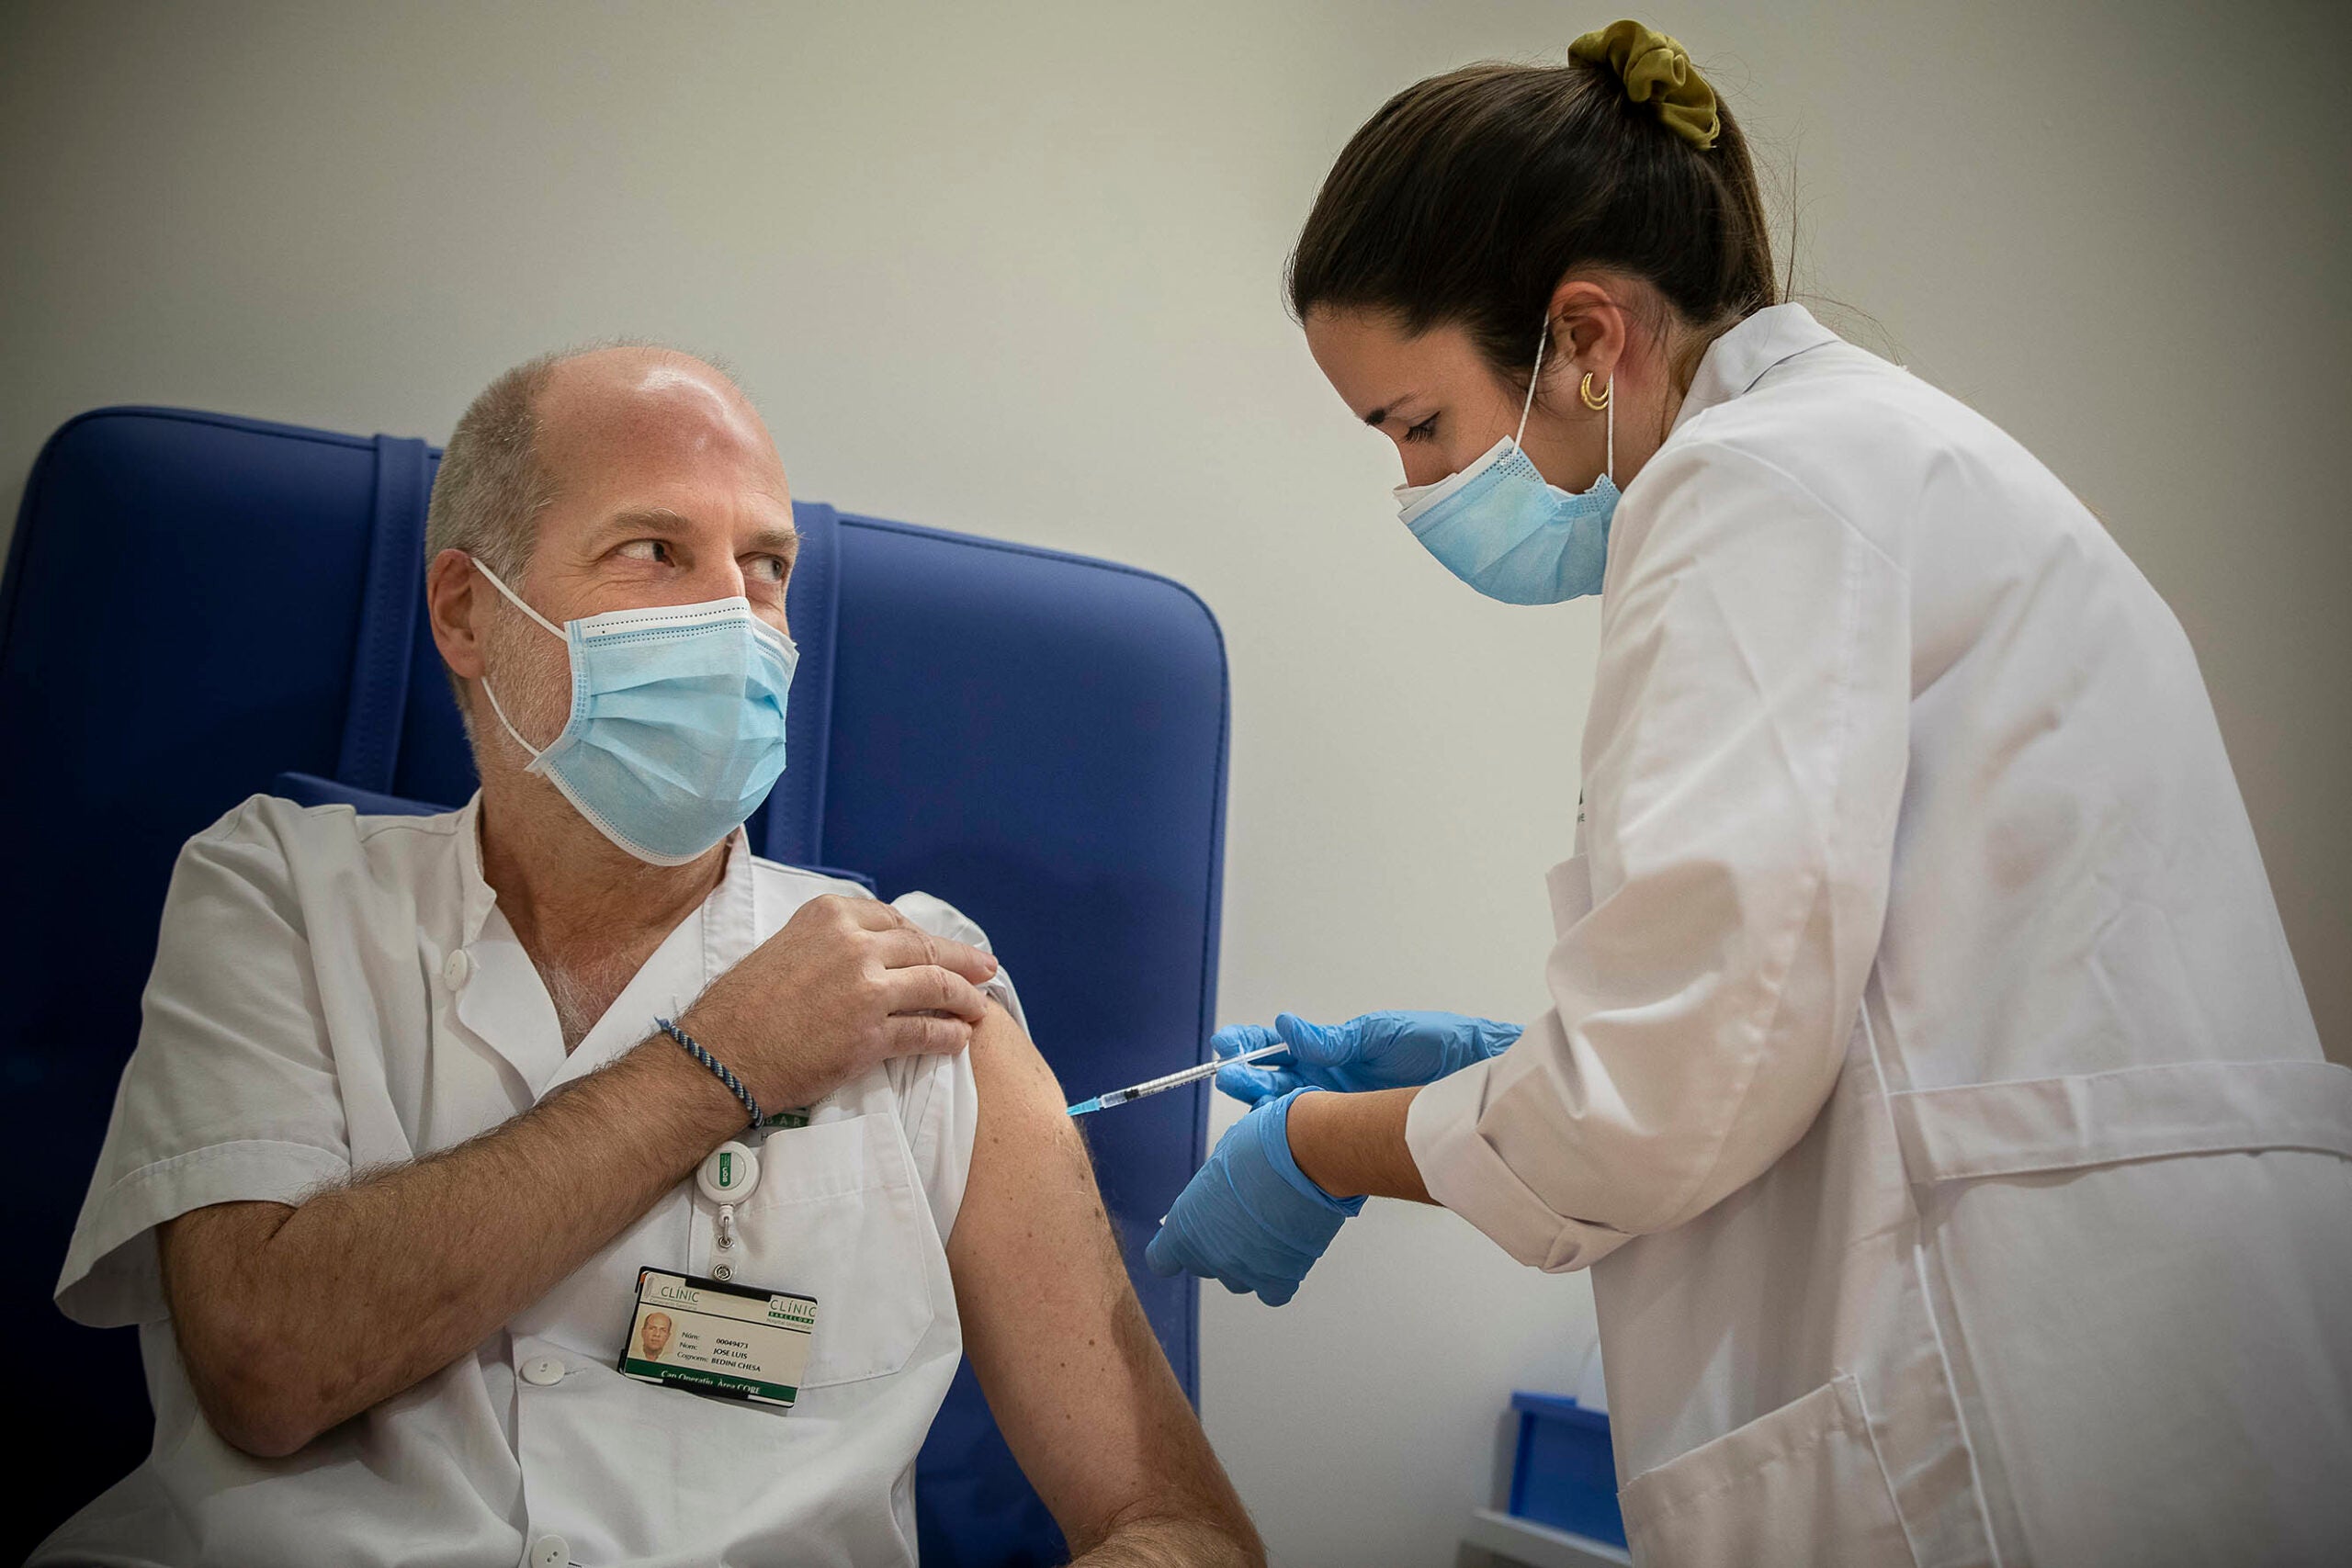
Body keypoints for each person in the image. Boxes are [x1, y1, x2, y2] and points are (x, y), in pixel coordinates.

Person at [1145, 20, 2352, 1566]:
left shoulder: (1751, 486)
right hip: (2129, 1344)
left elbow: (1665, 1096)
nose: (1418, 491)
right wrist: (1507, 1067)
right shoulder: (1877, 459)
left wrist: (1327, 1145)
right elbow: (1815, 1015)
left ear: (1584, 334)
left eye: (1421, 427)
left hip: (2028, 1408)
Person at [38, 344, 1260, 1568]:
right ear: (468, 612)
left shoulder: (920, 985)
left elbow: (1179, 1529)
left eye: (765, 568)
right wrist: (720, 1059)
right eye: (654, 552)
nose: (735, 618)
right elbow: (269, 1364)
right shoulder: (284, 893)